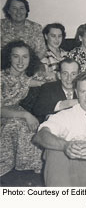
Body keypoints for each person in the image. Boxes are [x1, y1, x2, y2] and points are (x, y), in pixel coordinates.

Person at [0, 41, 43, 177]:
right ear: (9, 57)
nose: (20, 61)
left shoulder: (24, 77)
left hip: (15, 112)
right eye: (16, 56)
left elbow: (36, 82)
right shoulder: (1, 77)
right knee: (17, 124)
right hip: (4, 113)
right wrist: (25, 114)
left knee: (36, 127)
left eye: (25, 57)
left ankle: (34, 168)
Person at [32, 58, 80, 123]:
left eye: (73, 74)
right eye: (65, 73)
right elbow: (38, 110)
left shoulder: (84, 89)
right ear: (59, 75)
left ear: (78, 76)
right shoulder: (48, 88)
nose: (69, 78)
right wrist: (64, 104)